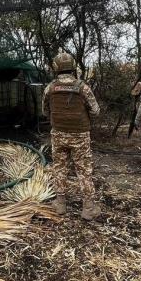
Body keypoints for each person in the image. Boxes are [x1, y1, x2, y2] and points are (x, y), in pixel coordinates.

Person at [42, 52, 101, 220]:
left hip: (58, 134)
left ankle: (60, 204)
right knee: (83, 170)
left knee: (59, 168)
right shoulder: (82, 87)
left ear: (56, 68)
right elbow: (96, 111)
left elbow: (44, 111)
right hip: (80, 136)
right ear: (73, 67)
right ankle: (88, 208)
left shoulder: (50, 88)